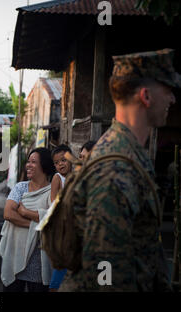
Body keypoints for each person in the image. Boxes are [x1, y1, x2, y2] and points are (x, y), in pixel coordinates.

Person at [59, 49, 179, 291]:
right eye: (168, 90)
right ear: (146, 96)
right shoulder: (115, 167)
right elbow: (105, 274)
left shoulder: (129, 154)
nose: (173, 99)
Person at [0, 148, 55, 292]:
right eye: (28, 162)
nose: (28, 165)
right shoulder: (20, 188)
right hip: (15, 257)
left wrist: (24, 211)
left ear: (44, 165)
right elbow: (8, 213)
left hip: (39, 264)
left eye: (33, 162)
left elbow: (53, 219)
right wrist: (36, 224)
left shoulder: (52, 192)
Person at [48, 144, 73, 291]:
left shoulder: (77, 175)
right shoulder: (57, 178)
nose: (60, 165)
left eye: (63, 160)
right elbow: (53, 202)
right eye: (56, 163)